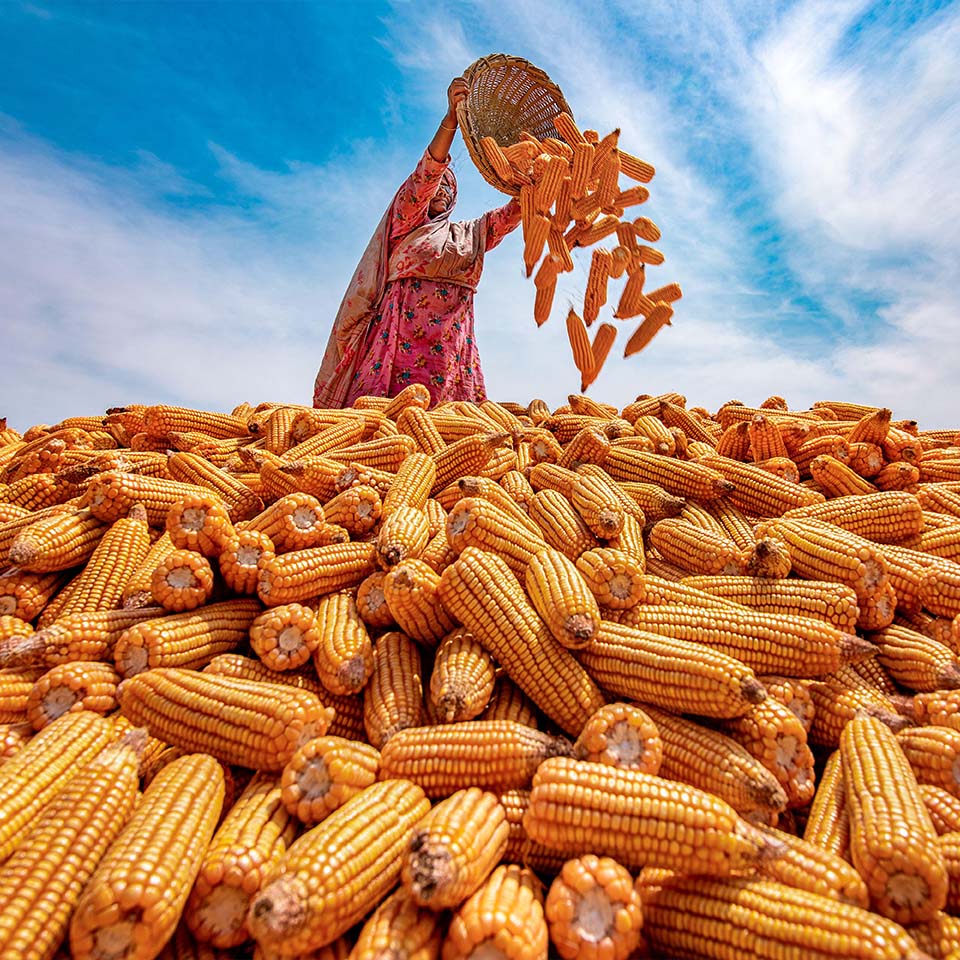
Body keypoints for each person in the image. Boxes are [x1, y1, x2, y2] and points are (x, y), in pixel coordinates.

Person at [312, 77, 522, 408]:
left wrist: (540, 181)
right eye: (440, 184)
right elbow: (427, 173)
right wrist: (450, 120)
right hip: (401, 334)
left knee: (444, 417)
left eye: (450, 188)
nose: (442, 189)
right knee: (392, 413)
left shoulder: (470, 235)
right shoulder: (406, 222)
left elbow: (510, 215)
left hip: (449, 344)